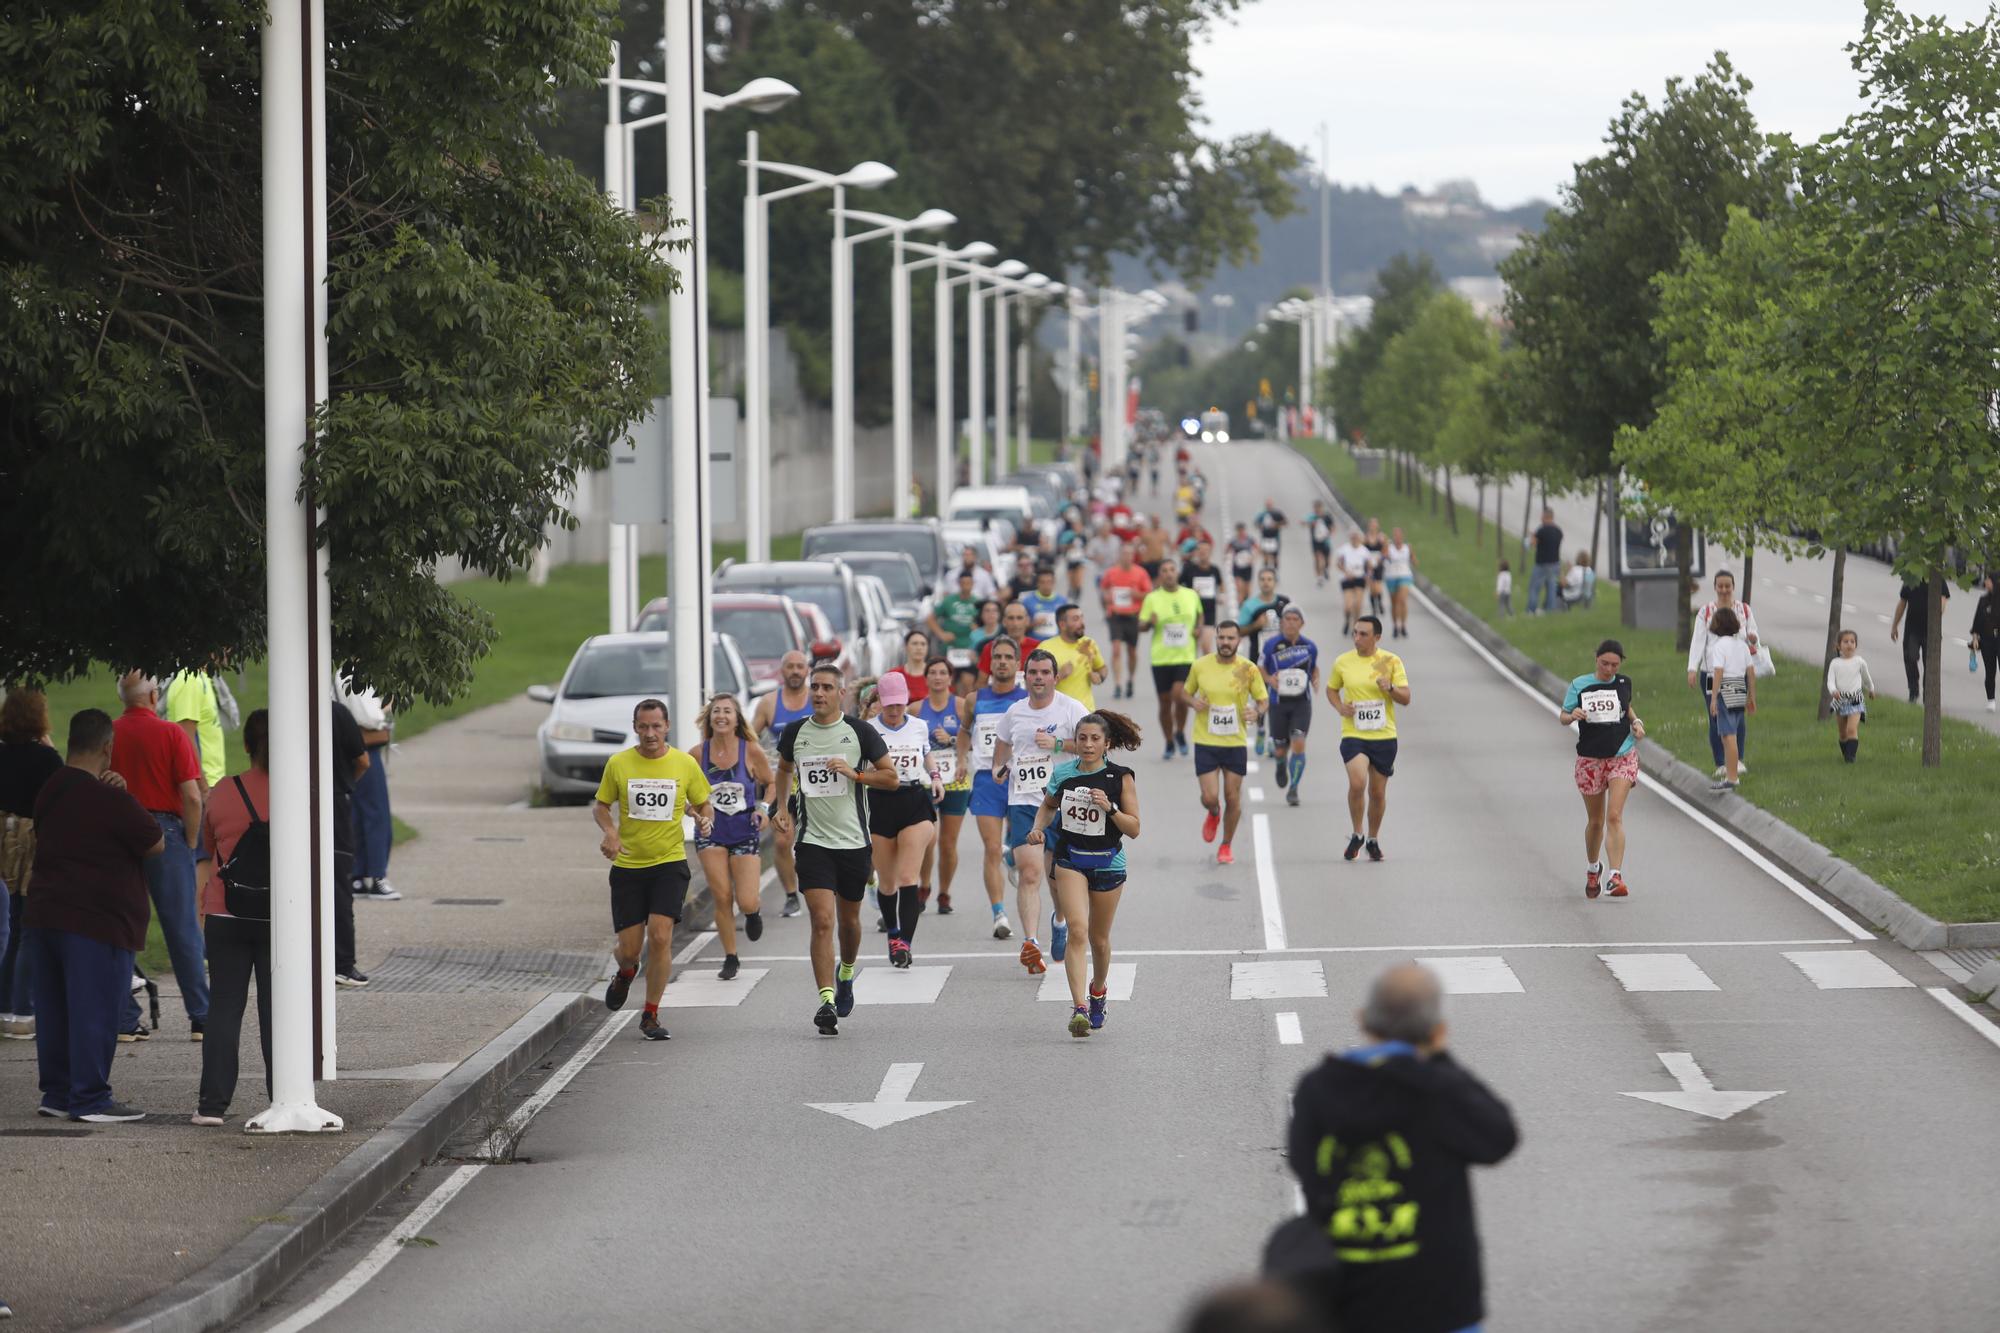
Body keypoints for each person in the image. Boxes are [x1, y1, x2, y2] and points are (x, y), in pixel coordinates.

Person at [1287, 963, 1518, 1333]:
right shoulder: (1438, 1090)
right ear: (1437, 1029)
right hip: (1441, 1303)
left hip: (1348, 1300)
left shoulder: (1317, 1089)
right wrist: (1440, 1060)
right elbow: (1499, 1138)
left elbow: (1304, 1164)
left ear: (1362, 1019)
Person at [24, 708, 166, 1122]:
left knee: (53, 1008)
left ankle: (58, 1090)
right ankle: (90, 1098)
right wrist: (126, 795)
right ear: (108, 747)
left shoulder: (51, 788)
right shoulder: (109, 797)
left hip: (46, 911)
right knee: (94, 1008)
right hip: (96, 919)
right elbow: (155, 842)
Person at [773, 663, 900, 1036]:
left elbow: (891, 778)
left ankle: (846, 973)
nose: (819, 693)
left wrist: (855, 774)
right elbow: (782, 769)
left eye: (827, 687)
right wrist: (782, 807)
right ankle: (826, 1000)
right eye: (815, 686)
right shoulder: (795, 732)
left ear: (840, 693)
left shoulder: (860, 732)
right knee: (822, 920)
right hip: (812, 842)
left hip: (853, 844)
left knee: (849, 923)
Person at [593, 698, 715, 1041]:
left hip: (669, 863)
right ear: (635, 727)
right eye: (644, 727)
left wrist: (705, 819)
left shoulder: (683, 764)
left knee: (661, 937)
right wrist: (611, 832)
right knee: (630, 950)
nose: (650, 733)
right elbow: (602, 806)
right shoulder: (619, 764)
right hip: (629, 866)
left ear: (667, 727)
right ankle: (626, 971)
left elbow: (703, 801)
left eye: (656, 726)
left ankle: (650, 1014)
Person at [1024, 710, 1143, 1037]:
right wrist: (1037, 829)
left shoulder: (1120, 778)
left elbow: (1134, 829)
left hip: (1108, 863)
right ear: (1075, 742)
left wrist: (1111, 808)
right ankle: (1078, 1008)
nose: (1088, 745)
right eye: (1082, 738)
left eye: (1094, 739)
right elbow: (1048, 806)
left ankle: (1098, 991)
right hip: (1070, 860)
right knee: (1078, 930)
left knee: (1099, 940)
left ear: (1106, 743)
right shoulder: (1062, 774)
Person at [110, 672, 206, 1042]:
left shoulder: (112, 734)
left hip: (120, 831)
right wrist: (191, 838)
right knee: (181, 927)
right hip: (166, 830)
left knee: (121, 925)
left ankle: (125, 1018)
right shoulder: (171, 734)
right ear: (153, 696)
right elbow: (193, 795)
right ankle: (200, 1015)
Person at [191, 709, 274, 1125]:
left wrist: (201, 908)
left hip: (226, 911)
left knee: (224, 1007)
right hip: (280, 917)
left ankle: (212, 1105)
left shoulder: (224, 791)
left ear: (245, 745)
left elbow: (207, 851)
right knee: (276, 1009)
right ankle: (284, 1096)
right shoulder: (299, 792)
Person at [990, 650, 1091, 975]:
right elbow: (1003, 742)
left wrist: (1060, 745)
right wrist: (997, 766)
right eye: (1032, 672)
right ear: (1026, 676)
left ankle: (1059, 920)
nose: (1037, 677)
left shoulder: (1071, 708)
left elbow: (1095, 746)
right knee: (1030, 873)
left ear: (1054, 677)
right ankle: (1030, 942)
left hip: (1065, 802)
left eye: (1044, 672)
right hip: (1024, 801)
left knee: (1057, 878)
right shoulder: (1015, 711)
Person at [866, 673, 942, 968]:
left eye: (899, 704)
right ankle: (893, 933)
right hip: (879, 802)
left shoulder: (920, 726)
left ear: (906, 701)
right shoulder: (868, 730)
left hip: (913, 800)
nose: (895, 710)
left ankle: (904, 944)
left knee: (908, 877)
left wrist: (935, 778)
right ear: (881, 703)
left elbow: (927, 755)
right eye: (889, 705)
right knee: (887, 883)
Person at [1559, 640, 1646, 899]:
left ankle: (1615, 876)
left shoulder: (1623, 683)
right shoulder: (1579, 684)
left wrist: (1637, 723)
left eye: (1614, 665)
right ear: (1595, 659)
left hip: (1621, 754)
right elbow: (1563, 716)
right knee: (1596, 821)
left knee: (1614, 816)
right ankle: (1593, 867)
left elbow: (1626, 707)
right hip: (1590, 758)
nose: (1609, 670)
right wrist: (1572, 715)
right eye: (1604, 664)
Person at [694, 693, 771, 982]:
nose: (721, 716)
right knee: (722, 895)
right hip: (711, 833)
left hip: (744, 831)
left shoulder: (750, 750)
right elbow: (685, 793)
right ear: (709, 718)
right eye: (716, 711)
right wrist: (694, 812)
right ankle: (730, 956)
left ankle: (753, 913)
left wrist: (764, 809)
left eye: (727, 711)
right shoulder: (695, 754)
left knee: (747, 899)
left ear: (737, 718)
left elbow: (772, 783)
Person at [1178, 622, 1268, 866]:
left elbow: (1262, 700)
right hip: (1206, 740)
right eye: (1222, 638)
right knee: (1210, 796)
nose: (1226, 642)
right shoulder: (1201, 665)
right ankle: (1213, 812)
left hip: (1234, 742)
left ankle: (1226, 844)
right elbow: (1185, 693)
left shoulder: (1248, 669)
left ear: (1239, 641)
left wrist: (1257, 713)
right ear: (1216, 639)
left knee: (1233, 796)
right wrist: (1192, 702)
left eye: (1231, 638)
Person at [1, 687, 61, 1041]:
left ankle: (5, 1005)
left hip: (4, 843)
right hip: (32, 843)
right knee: (29, 929)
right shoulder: (45, 760)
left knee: (9, 926)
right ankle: (23, 1010)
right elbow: (60, 793)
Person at [959, 637, 1027, 941]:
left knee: (1018, 846)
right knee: (990, 847)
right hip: (987, 780)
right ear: (990, 663)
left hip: (1020, 780)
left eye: (1007, 657)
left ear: (1017, 663)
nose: (1002, 662)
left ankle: (1012, 855)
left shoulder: (1027, 699)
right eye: (997, 657)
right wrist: (961, 758)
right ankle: (999, 912)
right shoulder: (975, 699)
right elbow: (964, 731)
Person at [1326, 617, 1410, 862]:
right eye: (1355, 633)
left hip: (1384, 735)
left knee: (1377, 792)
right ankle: (1357, 833)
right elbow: (1331, 689)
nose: (1357, 639)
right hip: (1354, 734)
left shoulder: (1391, 661)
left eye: (1363, 634)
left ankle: (1373, 839)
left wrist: (1390, 688)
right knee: (1357, 782)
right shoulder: (1342, 662)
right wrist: (1341, 707)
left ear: (1377, 637)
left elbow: (1406, 698)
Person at [752, 650, 815, 918]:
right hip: (782, 781)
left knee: (815, 842)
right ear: (782, 671)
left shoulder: (818, 698)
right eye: (790, 666)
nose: (795, 671)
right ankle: (791, 895)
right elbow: (749, 738)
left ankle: (819, 885)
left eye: (800, 666)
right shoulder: (768, 703)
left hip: (815, 783)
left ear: (807, 671)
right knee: (781, 841)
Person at [1686, 570, 1762, 778]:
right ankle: (1721, 762)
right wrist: (1692, 667)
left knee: (1737, 717)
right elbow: (1698, 640)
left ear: (1733, 586)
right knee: (1717, 717)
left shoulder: (1743, 610)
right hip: (1711, 674)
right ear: (1715, 587)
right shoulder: (1706, 612)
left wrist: (1753, 638)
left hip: (1737, 674)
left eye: (1728, 585)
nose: (1724, 590)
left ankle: (1737, 760)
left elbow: (1752, 635)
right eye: (1720, 586)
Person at [339, 677, 401, 901]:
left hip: (350, 748)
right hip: (365, 748)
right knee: (376, 811)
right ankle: (377, 876)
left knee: (358, 811)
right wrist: (385, 708)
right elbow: (370, 717)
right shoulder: (353, 675)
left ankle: (358, 873)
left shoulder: (344, 673)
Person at [916, 658, 969, 915]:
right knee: (928, 838)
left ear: (950, 678)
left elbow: (974, 740)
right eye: (932, 673)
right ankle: (923, 885)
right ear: (926, 678)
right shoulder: (915, 709)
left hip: (955, 781)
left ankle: (944, 892)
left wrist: (952, 740)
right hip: (925, 781)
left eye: (942, 673)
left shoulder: (960, 706)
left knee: (948, 843)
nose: (937, 677)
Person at [1139, 558, 1204, 760]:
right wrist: (1150, 622)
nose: (1168, 573)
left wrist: (1198, 628)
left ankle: (1180, 732)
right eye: (1164, 570)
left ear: (1177, 573)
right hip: (1161, 659)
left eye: (1172, 569)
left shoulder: (1191, 595)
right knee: (1165, 703)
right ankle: (1169, 740)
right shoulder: (1152, 598)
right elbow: (1141, 626)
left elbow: (1200, 615)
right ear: (1160, 575)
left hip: (1185, 656)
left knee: (1180, 695)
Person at [329, 696, 370, 988]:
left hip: (291, 802)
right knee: (339, 884)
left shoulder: (283, 708)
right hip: (334, 802)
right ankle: (342, 963)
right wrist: (346, 783)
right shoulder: (337, 712)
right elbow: (362, 760)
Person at [1262, 607, 1321, 808]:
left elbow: (1314, 667)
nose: (1291, 622)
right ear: (1281, 622)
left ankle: (1294, 787)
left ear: (1302, 623)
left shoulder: (1310, 647)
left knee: (1298, 741)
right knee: (1280, 749)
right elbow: (1259, 668)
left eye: (1296, 619)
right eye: (1287, 619)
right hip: (1278, 703)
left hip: (1301, 703)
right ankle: (1280, 764)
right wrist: (1269, 679)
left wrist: (1315, 677)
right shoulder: (1271, 645)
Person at [1706, 606, 1755, 792]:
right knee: (1732, 730)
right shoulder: (1742, 645)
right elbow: (1751, 672)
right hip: (1739, 688)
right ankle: (1732, 775)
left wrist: (1713, 697)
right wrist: (1752, 697)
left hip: (1724, 689)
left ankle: (1732, 778)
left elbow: (1718, 671)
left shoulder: (1719, 646)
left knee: (1728, 736)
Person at [1099, 543, 1154, 701]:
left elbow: (1149, 594)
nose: (1126, 557)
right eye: (1124, 554)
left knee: (1131, 651)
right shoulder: (1111, 572)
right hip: (1115, 614)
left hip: (1133, 615)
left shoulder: (1140, 573)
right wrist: (1106, 597)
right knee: (1116, 649)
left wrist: (1136, 594)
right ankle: (1117, 684)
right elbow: (1103, 589)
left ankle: (1130, 679)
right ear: (1119, 555)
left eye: (1129, 554)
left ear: (1133, 556)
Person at [162, 668, 226, 792]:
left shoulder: (202, 678)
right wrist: (204, 789)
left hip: (212, 783)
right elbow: (186, 740)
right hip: (203, 786)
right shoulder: (190, 681)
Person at [1890, 576, 1951, 704]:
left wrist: (1937, 612)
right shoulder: (1912, 577)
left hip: (1931, 632)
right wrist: (1895, 625)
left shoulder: (1938, 579)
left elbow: (1943, 600)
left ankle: (1927, 696)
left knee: (1930, 665)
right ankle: (1913, 690)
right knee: (1910, 658)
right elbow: (1902, 603)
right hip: (1912, 629)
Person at [1044, 603, 1109, 710]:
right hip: (1058, 713)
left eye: (1082, 618)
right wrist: (1059, 675)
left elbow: (1102, 667)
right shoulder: (1046, 648)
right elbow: (1035, 685)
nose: (1082, 623)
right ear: (1062, 625)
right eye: (1076, 619)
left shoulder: (1089, 643)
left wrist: (1100, 677)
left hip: (1086, 712)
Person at [1825, 630, 1877, 763]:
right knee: (1843, 733)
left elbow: (1866, 677)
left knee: (1851, 729)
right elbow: (1830, 681)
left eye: (1852, 642)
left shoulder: (1859, 662)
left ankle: (1850, 758)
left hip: (1855, 700)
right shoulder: (1835, 663)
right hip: (1840, 700)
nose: (1849, 644)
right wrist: (1833, 691)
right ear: (1839, 646)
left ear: (1856, 645)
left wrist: (1871, 689)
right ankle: (1845, 754)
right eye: (1845, 642)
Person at [928, 569, 983, 676]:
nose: (966, 586)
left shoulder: (978, 602)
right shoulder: (949, 601)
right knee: (949, 676)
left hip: (969, 646)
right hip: (950, 646)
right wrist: (941, 634)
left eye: (968, 583)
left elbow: (986, 623)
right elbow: (930, 619)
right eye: (963, 583)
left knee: (967, 678)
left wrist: (978, 629)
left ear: (973, 584)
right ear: (958, 583)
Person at [976, 600, 1040, 682]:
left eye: (1019, 618)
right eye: (1011, 618)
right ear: (1004, 621)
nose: (1015, 623)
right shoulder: (991, 647)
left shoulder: (1038, 647)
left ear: (1027, 621)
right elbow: (981, 683)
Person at [1182, 539, 1225, 654]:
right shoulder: (1188, 569)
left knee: (1206, 647)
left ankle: (1205, 671)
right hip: (1192, 612)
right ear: (1196, 552)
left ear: (1210, 552)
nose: (1203, 552)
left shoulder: (1214, 570)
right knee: (1191, 647)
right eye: (1200, 550)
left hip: (1209, 612)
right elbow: (1178, 586)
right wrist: (1190, 592)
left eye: (1206, 550)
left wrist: (1221, 595)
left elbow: (1221, 584)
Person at [1526, 507, 1563, 615]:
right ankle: (1550, 609)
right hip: (1555, 563)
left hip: (1542, 564)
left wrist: (1531, 536)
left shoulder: (1542, 530)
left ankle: (1531, 610)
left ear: (1546, 517)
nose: (1541, 519)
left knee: (1534, 587)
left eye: (1542, 516)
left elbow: (1532, 543)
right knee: (1551, 587)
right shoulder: (1558, 531)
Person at [1334, 532, 1372, 636]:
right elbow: (1338, 563)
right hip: (1347, 578)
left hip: (1359, 578)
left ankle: (1356, 627)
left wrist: (1368, 576)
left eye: (1356, 538)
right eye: (1353, 538)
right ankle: (1347, 619)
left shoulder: (1364, 551)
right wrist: (1346, 572)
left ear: (1360, 539)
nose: (1355, 540)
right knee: (1348, 606)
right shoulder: (1344, 549)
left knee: (1358, 604)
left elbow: (1369, 566)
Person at [1970, 573, 1998, 713]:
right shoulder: (1983, 600)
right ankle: (1991, 700)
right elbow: (1977, 622)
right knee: (1990, 671)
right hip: (1987, 640)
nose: (1986, 581)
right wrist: (1975, 638)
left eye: (1988, 579)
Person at [1380, 528, 1415, 638]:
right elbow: (1382, 557)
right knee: (1394, 603)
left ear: (1402, 537)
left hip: (1405, 575)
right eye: (1395, 536)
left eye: (1399, 536)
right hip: (1391, 576)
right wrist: (1385, 551)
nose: (1397, 538)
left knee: (1402, 600)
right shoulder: (1388, 547)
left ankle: (1403, 625)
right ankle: (1395, 626)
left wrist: (1413, 560)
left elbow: (1414, 560)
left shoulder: (1407, 547)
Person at [884, 629, 931, 702]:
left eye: (923, 644)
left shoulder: (936, 676)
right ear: (906, 647)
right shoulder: (893, 675)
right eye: (915, 643)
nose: (919, 648)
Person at [1021, 565, 1066, 642]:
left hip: (1055, 645)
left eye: (1049, 582)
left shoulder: (1062, 601)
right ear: (1037, 583)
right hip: (1035, 645)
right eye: (1042, 582)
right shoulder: (1027, 601)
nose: (1046, 586)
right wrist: (1033, 624)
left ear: (1054, 582)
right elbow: (1019, 627)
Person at [1362, 517, 1387, 618]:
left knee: (1378, 587)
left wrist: (1380, 559)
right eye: (1371, 524)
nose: (1373, 526)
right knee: (1372, 588)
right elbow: (1362, 551)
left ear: (1377, 526)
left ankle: (1380, 602)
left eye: (1374, 524)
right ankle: (1373, 609)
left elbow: (1386, 551)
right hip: (1369, 565)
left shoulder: (1382, 537)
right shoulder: (1365, 538)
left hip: (1378, 564)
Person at [1255, 499, 1288, 570]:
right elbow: (1256, 524)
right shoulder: (1262, 514)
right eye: (1267, 505)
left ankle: (1275, 573)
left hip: (1275, 538)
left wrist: (1276, 524)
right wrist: (1261, 525)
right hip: (1265, 538)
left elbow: (1285, 522)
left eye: (1270, 505)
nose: (1268, 506)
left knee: (1275, 557)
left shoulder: (1277, 513)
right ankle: (1266, 572)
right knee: (1265, 557)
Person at [1137, 514, 1171, 584]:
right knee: (1146, 581)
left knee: (1158, 582)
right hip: (1147, 561)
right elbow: (1138, 545)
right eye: (1154, 521)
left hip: (1158, 561)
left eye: (1157, 521)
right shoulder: (1146, 532)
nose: (1156, 522)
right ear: (1151, 522)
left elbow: (1170, 545)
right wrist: (1141, 553)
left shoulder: (1163, 532)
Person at [1309, 502, 1335, 588]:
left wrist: (1329, 533)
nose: (1317, 510)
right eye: (1316, 509)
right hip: (1316, 542)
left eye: (1319, 508)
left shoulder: (1327, 517)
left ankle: (1326, 569)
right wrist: (1311, 524)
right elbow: (1303, 522)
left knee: (1327, 560)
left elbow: (1333, 527)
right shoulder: (1312, 517)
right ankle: (1319, 578)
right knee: (1318, 559)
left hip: (1325, 541)